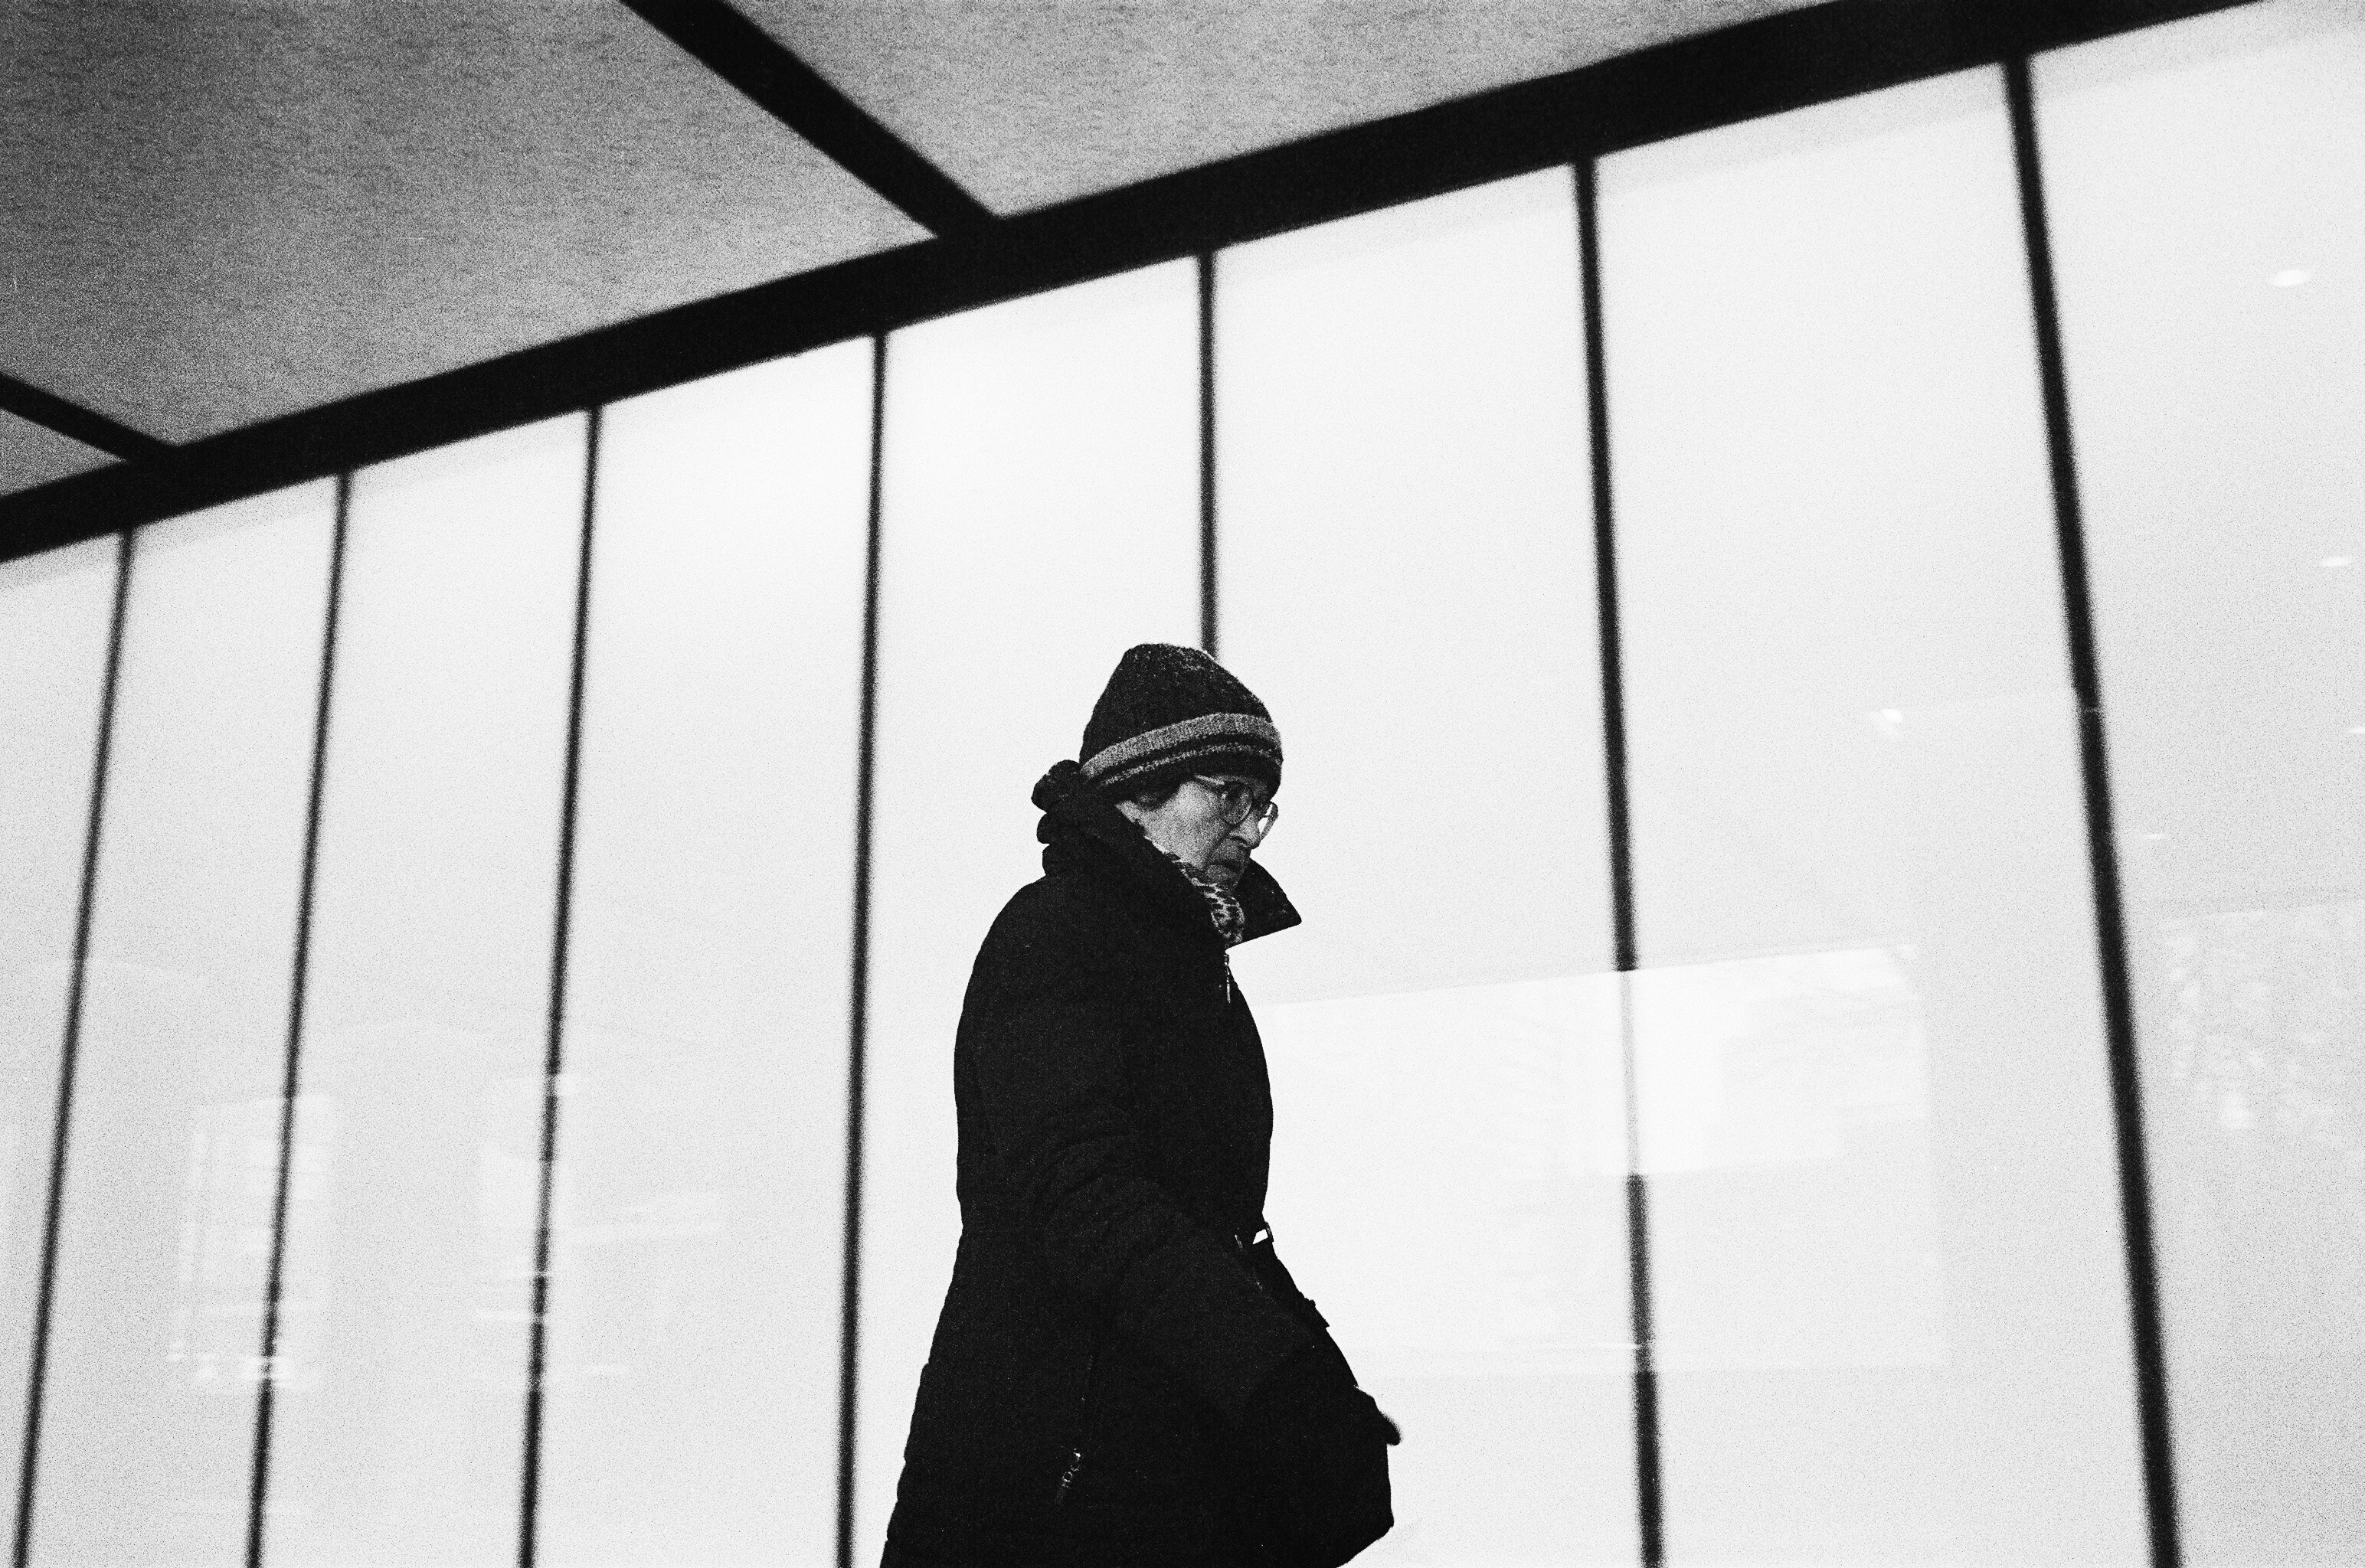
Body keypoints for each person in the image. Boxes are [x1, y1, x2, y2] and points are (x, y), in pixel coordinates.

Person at [881, 643, 1398, 1568]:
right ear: (1139, 790)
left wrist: (1315, 1378)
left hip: (1140, 1447)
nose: (1250, 827)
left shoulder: (1191, 965)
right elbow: (1084, 1194)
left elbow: (1222, 1225)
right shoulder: (1054, 933)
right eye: (1226, 794)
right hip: (1048, 1460)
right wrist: (1270, 1372)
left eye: (1262, 803)